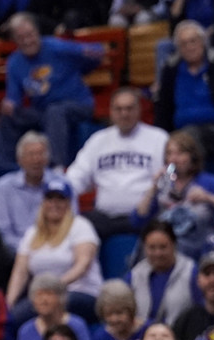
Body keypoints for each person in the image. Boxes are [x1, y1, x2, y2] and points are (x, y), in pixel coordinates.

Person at [0, 12, 104, 171]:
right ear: (15, 40)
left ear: (37, 32)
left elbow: (97, 51)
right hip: (42, 111)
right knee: (8, 115)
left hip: (77, 105)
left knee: (55, 112)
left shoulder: (57, 47)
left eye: (30, 35)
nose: (27, 41)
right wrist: (10, 104)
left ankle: (56, 168)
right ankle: (9, 169)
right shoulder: (14, 62)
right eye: (21, 37)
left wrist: (85, 63)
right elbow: (14, 98)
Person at [65, 88, 169, 240]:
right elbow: (76, 176)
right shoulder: (98, 140)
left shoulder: (158, 138)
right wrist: (63, 192)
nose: (124, 114)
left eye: (129, 108)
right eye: (118, 109)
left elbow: (168, 177)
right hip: (104, 217)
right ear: (111, 111)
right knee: (76, 228)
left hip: (144, 216)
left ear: (139, 109)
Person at [5, 179, 102, 326]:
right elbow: (20, 272)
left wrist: (54, 286)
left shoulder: (80, 226)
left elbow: (82, 265)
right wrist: (8, 302)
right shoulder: (32, 233)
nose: (54, 204)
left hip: (80, 292)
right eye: (50, 199)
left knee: (53, 305)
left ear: (68, 204)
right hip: (42, 297)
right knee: (12, 318)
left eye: (60, 199)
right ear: (43, 203)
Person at [133, 130, 214, 259]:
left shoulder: (207, 181)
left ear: (192, 157)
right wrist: (153, 188)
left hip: (200, 250)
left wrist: (208, 197)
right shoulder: (163, 184)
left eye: (180, 153)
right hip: (166, 253)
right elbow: (137, 220)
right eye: (169, 153)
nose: (173, 159)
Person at [154, 21, 214, 164]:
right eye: (183, 44)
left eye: (193, 41)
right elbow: (163, 109)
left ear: (203, 42)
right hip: (179, 134)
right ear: (178, 48)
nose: (189, 47)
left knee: (187, 140)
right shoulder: (171, 70)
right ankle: (175, 180)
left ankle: (186, 182)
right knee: (172, 145)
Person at [0, 132, 75, 254]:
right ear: (19, 160)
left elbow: (71, 222)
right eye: (30, 155)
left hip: (56, 250)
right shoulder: (3, 187)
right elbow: (4, 232)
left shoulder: (63, 184)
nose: (36, 160)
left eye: (40, 154)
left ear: (47, 159)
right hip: (17, 252)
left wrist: (49, 250)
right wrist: (29, 251)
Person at [126, 220, 196, 327]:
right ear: (144, 248)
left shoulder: (191, 271)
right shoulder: (134, 275)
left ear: (174, 245)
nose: (158, 253)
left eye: (163, 247)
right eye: (152, 248)